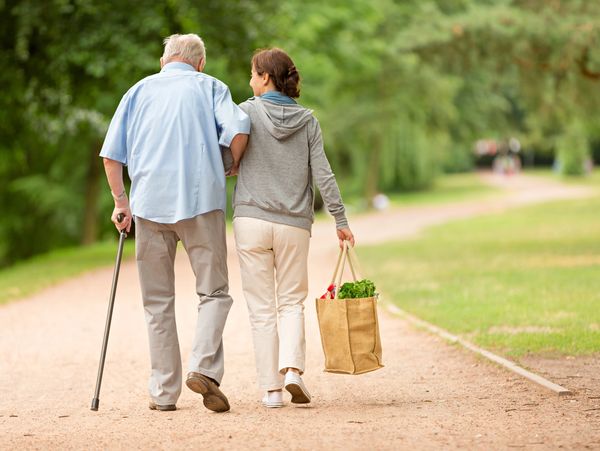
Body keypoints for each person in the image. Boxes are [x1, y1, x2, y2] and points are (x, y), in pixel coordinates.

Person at [99, 33, 250, 413]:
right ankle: (203, 367)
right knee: (214, 293)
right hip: (201, 203)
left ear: (164, 60)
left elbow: (111, 157)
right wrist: (229, 165)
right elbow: (239, 130)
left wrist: (121, 202)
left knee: (157, 302)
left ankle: (164, 393)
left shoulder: (137, 91)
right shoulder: (211, 87)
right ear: (199, 63)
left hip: (149, 206)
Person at [232, 48, 354, 408]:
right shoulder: (308, 121)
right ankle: (293, 372)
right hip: (293, 226)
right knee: (290, 303)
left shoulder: (245, 112)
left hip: (251, 220)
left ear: (266, 78)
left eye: (253, 74)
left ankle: (270, 390)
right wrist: (341, 221)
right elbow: (324, 176)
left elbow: (227, 158)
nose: (250, 81)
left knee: (261, 308)